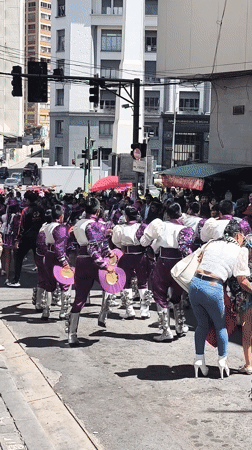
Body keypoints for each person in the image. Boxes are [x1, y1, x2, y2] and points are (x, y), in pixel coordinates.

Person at [189, 220, 252, 379]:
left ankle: (199, 361)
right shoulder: (240, 250)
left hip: (195, 284)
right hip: (213, 286)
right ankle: (222, 362)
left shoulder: (211, 243)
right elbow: (242, 280)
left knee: (202, 325)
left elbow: (199, 258)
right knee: (220, 326)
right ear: (238, 235)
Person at [140, 202, 195, 341]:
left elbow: (144, 242)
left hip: (163, 261)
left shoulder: (160, 225)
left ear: (167, 214)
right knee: (178, 295)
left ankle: (166, 330)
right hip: (179, 263)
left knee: (160, 295)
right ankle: (180, 325)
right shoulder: (186, 229)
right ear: (180, 214)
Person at [67, 198, 115, 346]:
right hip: (93, 262)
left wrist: (108, 251)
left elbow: (94, 244)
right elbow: (94, 248)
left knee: (80, 298)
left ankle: (72, 334)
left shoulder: (78, 224)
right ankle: (103, 315)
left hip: (81, 260)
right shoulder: (95, 225)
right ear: (98, 211)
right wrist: (105, 265)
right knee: (111, 286)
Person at [112, 205, 152, 320]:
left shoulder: (120, 228)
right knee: (143, 282)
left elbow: (116, 241)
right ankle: (144, 312)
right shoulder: (143, 227)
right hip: (141, 256)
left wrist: (124, 246)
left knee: (126, 282)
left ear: (126, 216)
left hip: (127, 256)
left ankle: (129, 311)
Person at [8, 191, 45, 287]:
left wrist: (17, 239)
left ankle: (16, 280)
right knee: (39, 259)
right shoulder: (41, 210)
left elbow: (21, 226)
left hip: (26, 238)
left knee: (19, 258)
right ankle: (43, 280)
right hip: (38, 237)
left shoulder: (25, 211)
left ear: (28, 200)